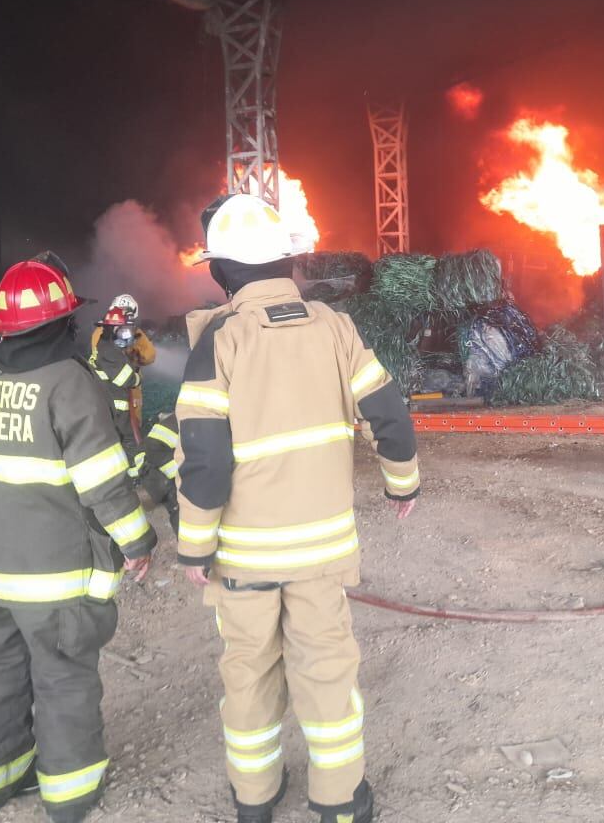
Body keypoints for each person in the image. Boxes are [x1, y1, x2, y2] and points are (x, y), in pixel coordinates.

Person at [174, 194, 421, 823]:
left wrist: (195, 548)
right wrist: (403, 485)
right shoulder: (335, 327)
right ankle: (340, 803)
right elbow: (388, 414)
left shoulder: (218, 340)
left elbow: (203, 460)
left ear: (219, 272)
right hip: (319, 555)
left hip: (243, 559)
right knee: (326, 672)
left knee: (249, 677)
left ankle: (254, 801)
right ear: (290, 259)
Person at [0, 256, 157, 823]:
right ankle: (70, 795)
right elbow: (103, 482)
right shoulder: (69, 385)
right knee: (63, 680)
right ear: (59, 324)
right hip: (54, 583)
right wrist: (138, 542)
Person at [88, 294, 154, 444]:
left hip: (120, 402)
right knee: (128, 438)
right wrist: (136, 376)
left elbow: (150, 356)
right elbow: (129, 374)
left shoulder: (111, 338)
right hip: (117, 404)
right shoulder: (106, 343)